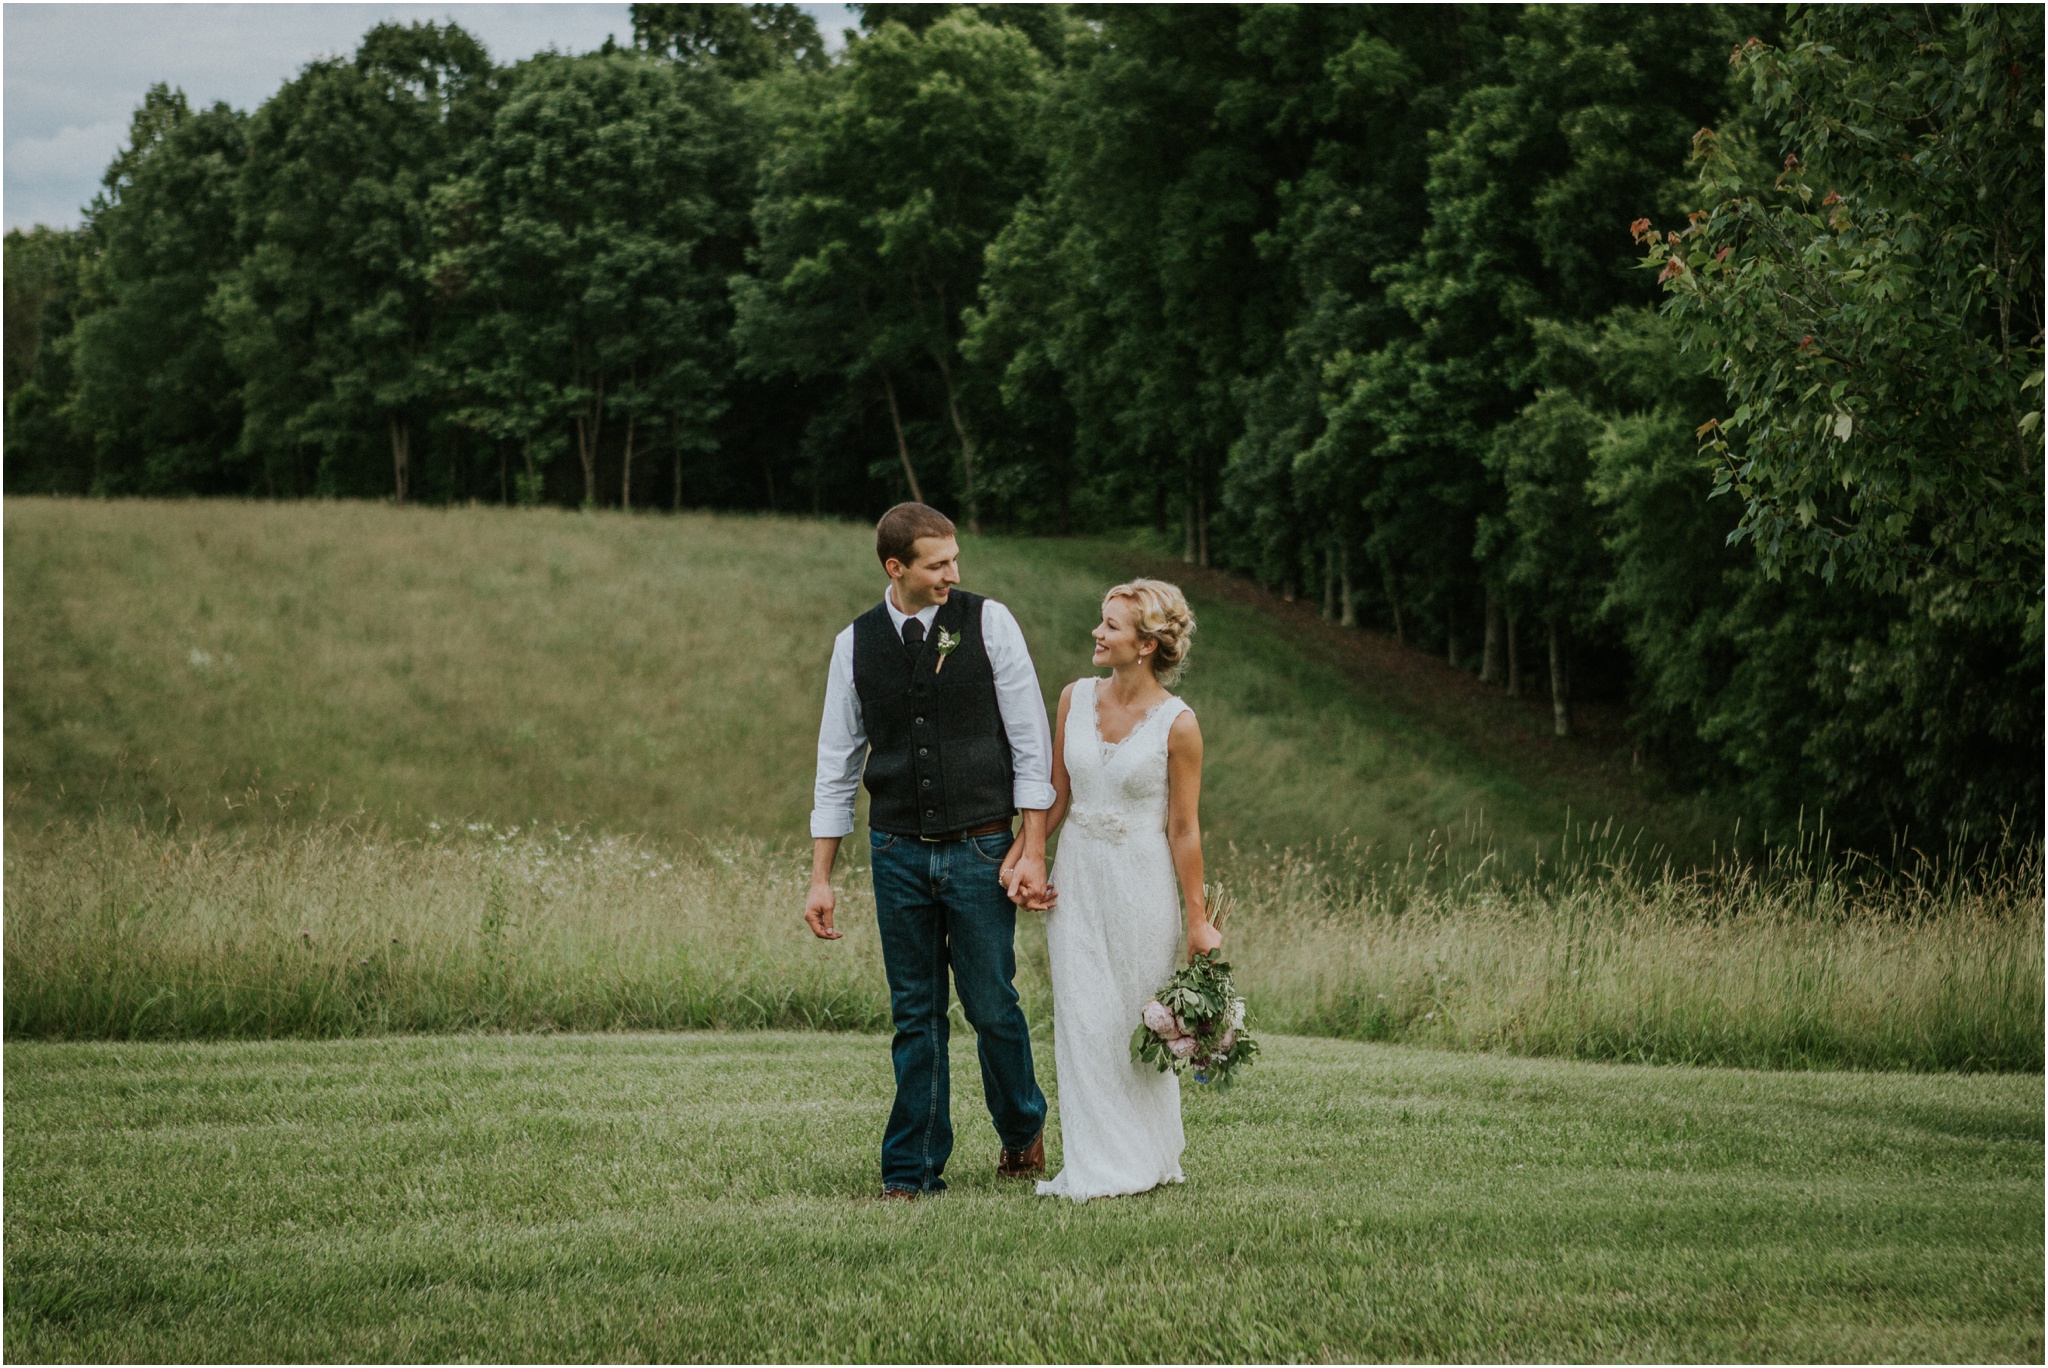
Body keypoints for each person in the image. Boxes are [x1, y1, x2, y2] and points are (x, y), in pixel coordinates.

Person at [804, 502, 1055, 1201]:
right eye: (937, 564)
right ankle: (910, 1170)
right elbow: (836, 764)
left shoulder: (989, 622)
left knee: (990, 1004)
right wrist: (821, 878)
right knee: (915, 1012)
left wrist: (1031, 848)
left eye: (955, 561)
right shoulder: (853, 644)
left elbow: (1033, 746)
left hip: (980, 848)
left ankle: (1021, 1125)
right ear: (896, 568)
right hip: (897, 852)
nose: (953, 573)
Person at [1015, 578, 1219, 1202]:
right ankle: (1097, 1164)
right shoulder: (1074, 698)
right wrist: (1026, 856)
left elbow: (1183, 829)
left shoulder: (1178, 726)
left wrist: (1198, 919)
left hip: (1141, 884)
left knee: (1134, 1021)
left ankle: (1146, 1156)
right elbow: (1054, 795)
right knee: (1083, 1019)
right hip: (1077, 877)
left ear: (1148, 644)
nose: (1097, 634)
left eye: (1111, 626)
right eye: (1101, 622)